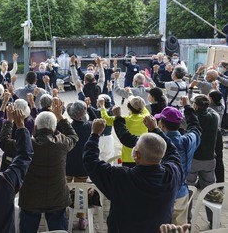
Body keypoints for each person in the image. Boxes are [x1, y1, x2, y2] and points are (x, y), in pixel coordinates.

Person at [83, 117, 184, 232]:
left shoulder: (121, 178)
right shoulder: (173, 174)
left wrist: (95, 134)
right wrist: (155, 129)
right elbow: (172, 151)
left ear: (136, 154)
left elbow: (90, 161)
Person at [113, 96, 201, 225]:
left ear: (161, 124)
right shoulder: (189, 140)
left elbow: (126, 138)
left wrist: (119, 118)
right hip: (181, 193)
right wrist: (187, 107)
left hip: (158, 194)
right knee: (178, 228)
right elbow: (196, 127)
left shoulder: (153, 142)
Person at [0, 99, 78, 232]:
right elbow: (74, 136)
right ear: (54, 128)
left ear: (35, 127)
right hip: (57, 197)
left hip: (31, 198)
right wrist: (60, 117)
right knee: (58, 231)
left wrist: (10, 121)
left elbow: (4, 143)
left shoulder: (27, 145)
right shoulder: (62, 143)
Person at [65, 100, 92, 230]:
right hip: (82, 166)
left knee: (65, 189)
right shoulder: (89, 127)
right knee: (81, 191)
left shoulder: (67, 127)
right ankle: (82, 218)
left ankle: (63, 214)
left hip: (66, 166)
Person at [100, 96, 149, 167]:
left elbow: (106, 119)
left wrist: (102, 106)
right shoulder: (147, 117)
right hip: (143, 157)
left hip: (128, 158)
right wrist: (136, 100)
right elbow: (143, 108)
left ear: (128, 107)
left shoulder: (124, 120)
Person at [187, 95, 219, 192]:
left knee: (188, 189)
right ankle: (211, 207)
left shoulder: (194, 119)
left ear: (195, 106)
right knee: (209, 191)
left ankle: (187, 207)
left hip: (194, 159)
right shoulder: (215, 117)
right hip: (209, 158)